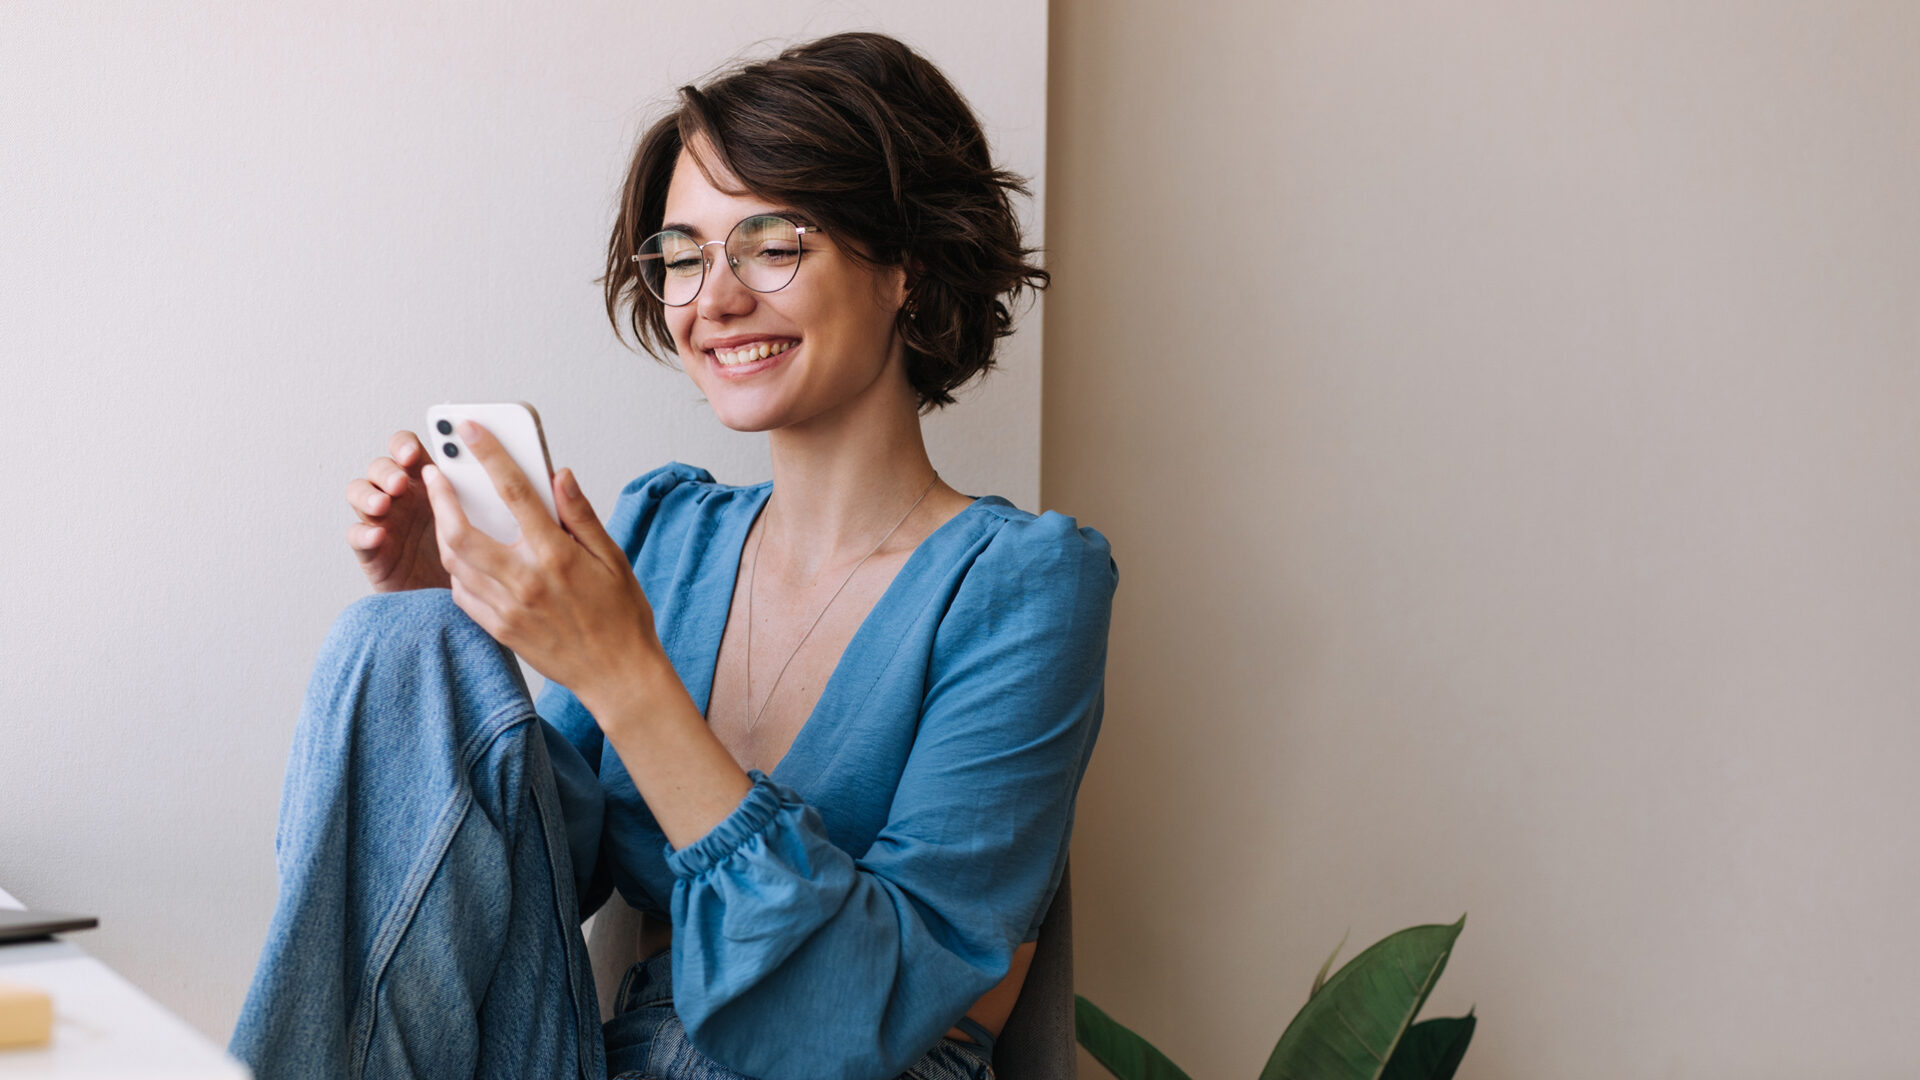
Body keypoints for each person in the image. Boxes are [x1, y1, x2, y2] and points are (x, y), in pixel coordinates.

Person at [229, 31, 1116, 1080]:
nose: (713, 299)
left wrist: (626, 679)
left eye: (773, 242)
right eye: (684, 255)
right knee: (400, 643)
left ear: (906, 268)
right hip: (598, 1049)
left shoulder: (1022, 585)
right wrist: (454, 645)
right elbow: (531, 877)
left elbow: (859, 1016)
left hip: (829, 1065)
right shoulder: (666, 532)